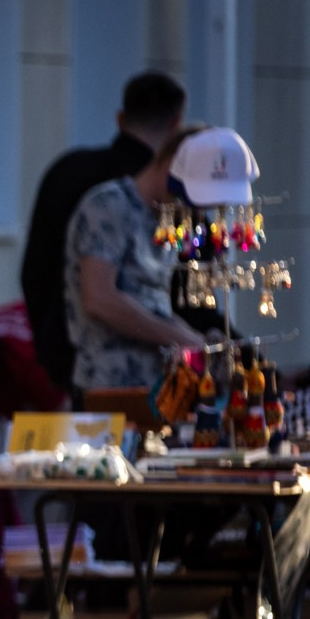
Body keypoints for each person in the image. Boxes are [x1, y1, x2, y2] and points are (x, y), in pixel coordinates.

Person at [21, 71, 188, 394]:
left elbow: (35, 272)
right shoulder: (128, 198)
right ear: (175, 125)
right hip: (109, 373)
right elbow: (103, 298)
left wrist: (50, 352)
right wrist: (183, 336)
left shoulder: (67, 169)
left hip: (70, 357)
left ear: (120, 119)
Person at [64, 126, 209, 397]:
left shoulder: (164, 220)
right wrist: (177, 336)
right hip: (108, 388)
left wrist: (196, 339)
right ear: (171, 165)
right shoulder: (109, 206)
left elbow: (151, 303)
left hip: (154, 386)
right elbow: (98, 299)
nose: (195, 209)